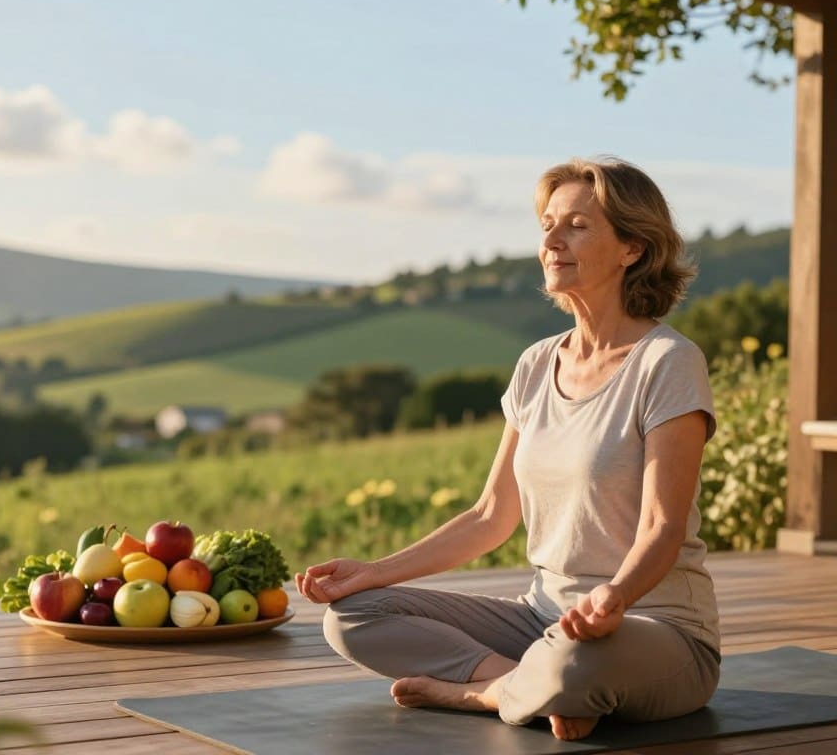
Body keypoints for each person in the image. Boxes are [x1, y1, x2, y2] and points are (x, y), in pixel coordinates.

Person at [295, 157, 721, 741]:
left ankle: (483, 693)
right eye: (547, 224)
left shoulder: (667, 363)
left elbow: (663, 525)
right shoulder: (536, 363)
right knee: (352, 617)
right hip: (540, 620)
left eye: (576, 225)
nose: (551, 241)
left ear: (632, 248)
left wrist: (613, 598)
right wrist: (371, 572)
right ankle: (521, 688)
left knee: (574, 661)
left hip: (655, 627)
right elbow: (489, 516)